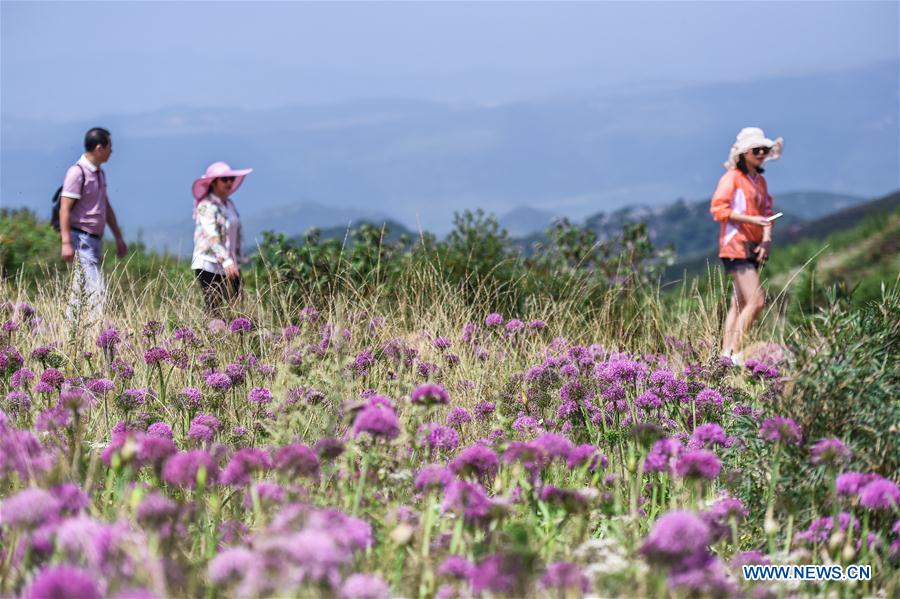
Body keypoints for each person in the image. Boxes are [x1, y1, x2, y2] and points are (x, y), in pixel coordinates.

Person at [710, 127, 784, 366]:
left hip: (753, 246)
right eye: (757, 149)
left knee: (739, 303)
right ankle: (734, 353)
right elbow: (718, 209)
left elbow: (767, 211)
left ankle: (725, 355)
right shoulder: (732, 178)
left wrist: (766, 238)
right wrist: (753, 221)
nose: (762, 153)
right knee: (757, 301)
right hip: (736, 246)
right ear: (744, 153)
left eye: (765, 149)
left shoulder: (759, 181)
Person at [59, 127, 128, 317]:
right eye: (109, 147)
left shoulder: (99, 173)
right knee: (97, 292)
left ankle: (71, 334)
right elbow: (64, 208)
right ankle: (95, 335)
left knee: (80, 294)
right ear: (99, 148)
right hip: (80, 240)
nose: (111, 151)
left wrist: (118, 237)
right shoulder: (77, 173)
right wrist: (66, 242)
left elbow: (104, 205)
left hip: (95, 240)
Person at [190, 161, 253, 313]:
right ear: (213, 182)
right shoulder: (205, 206)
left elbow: (236, 234)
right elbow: (212, 236)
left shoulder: (229, 204)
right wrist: (226, 260)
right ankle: (212, 335)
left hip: (231, 264)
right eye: (224, 179)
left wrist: (239, 258)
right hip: (210, 263)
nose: (229, 182)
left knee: (237, 308)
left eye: (231, 179)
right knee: (215, 308)